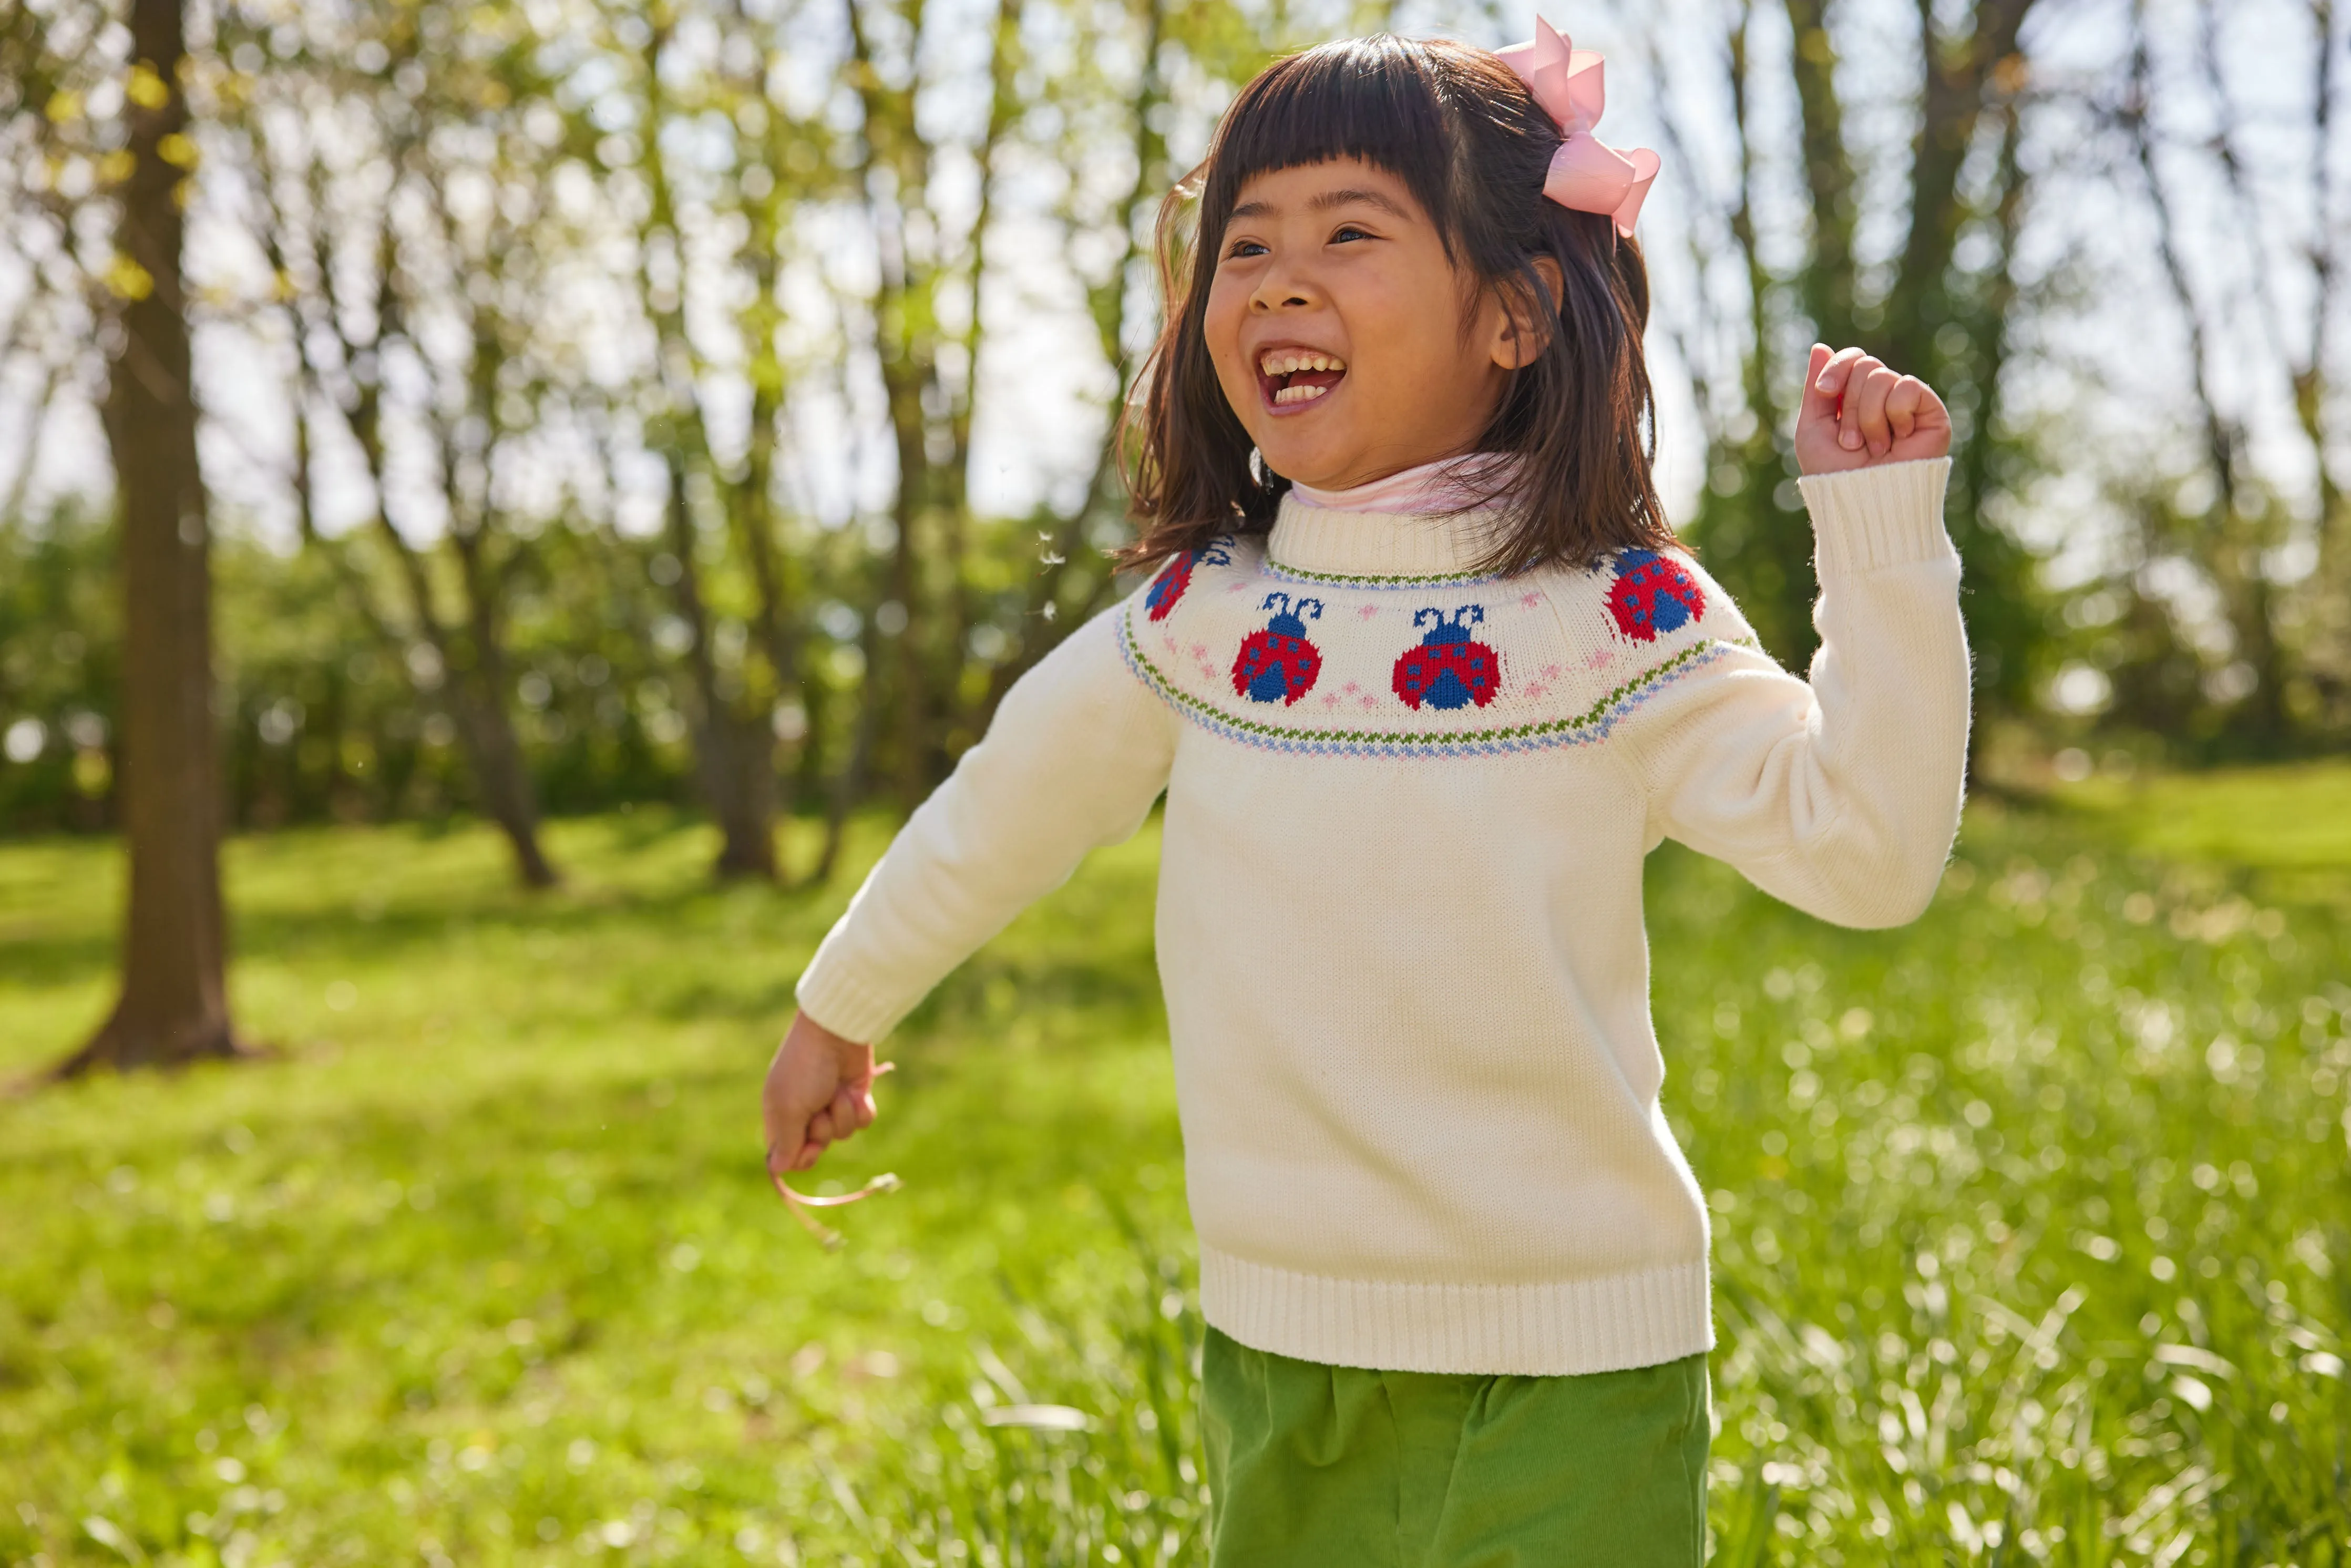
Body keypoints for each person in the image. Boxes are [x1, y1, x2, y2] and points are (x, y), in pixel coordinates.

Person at [763, 21, 1969, 1565]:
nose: (1274, 278)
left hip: (1578, 1360)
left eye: (1349, 232)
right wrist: (840, 1000)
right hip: (1284, 1346)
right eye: (1243, 244)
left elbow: (1865, 856)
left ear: (1520, 314)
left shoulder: (1618, 617)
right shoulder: (1200, 625)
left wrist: (1877, 537)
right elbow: (1005, 808)